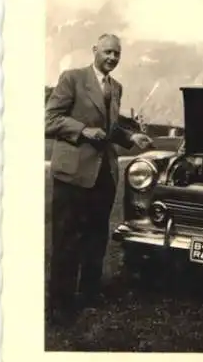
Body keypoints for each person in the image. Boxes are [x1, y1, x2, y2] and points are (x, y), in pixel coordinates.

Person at [45, 33, 153, 326]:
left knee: (96, 238)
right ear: (94, 50)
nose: (112, 58)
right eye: (107, 52)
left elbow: (111, 128)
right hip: (73, 174)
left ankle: (90, 294)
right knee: (67, 240)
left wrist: (132, 136)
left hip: (104, 175)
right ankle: (60, 305)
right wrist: (82, 130)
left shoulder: (116, 87)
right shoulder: (72, 78)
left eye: (117, 54)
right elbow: (50, 119)